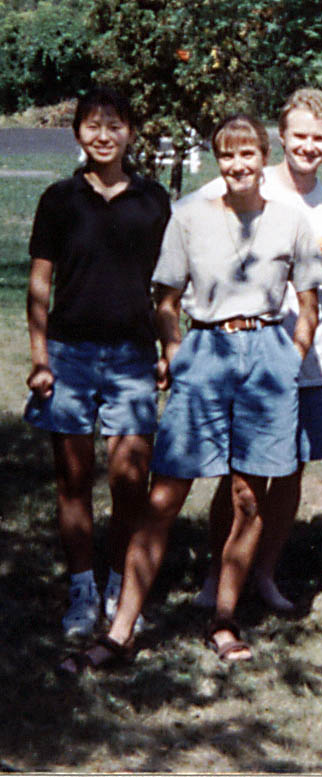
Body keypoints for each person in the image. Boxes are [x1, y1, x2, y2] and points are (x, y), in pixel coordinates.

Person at [61, 114, 322, 671]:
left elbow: (309, 304)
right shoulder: (188, 218)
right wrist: (175, 349)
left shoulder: (291, 220)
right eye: (227, 155)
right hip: (205, 354)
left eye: (248, 154)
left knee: (248, 499)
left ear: (264, 155)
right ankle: (120, 631)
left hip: (267, 358)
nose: (238, 166)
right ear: (217, 159)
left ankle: (224, 618)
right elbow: (165, 298)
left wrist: (290, 359)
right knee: (164, 498)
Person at [190, 88, 322, 613]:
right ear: (281, 138)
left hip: (310, 359)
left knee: (289, 471)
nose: (309, 146)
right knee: (240, 471)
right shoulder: (240, 185)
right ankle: (219, 572)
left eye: (319, 138)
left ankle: (265, 573)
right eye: (300, 136)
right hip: (246, 354)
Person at [25, 87, 170, 639]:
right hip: (68, 356)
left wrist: (168, 349)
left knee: (130, 481)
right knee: (74, 480)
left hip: (133, 356)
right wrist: (40, 359)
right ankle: (82, 589)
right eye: (92, 125)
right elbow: (40, 283)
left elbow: (167, 288)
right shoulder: (58, 200)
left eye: (114, 124)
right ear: (78, 133)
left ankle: (119, 584)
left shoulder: (154, 200)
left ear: (131, 132)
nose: (103, 135)